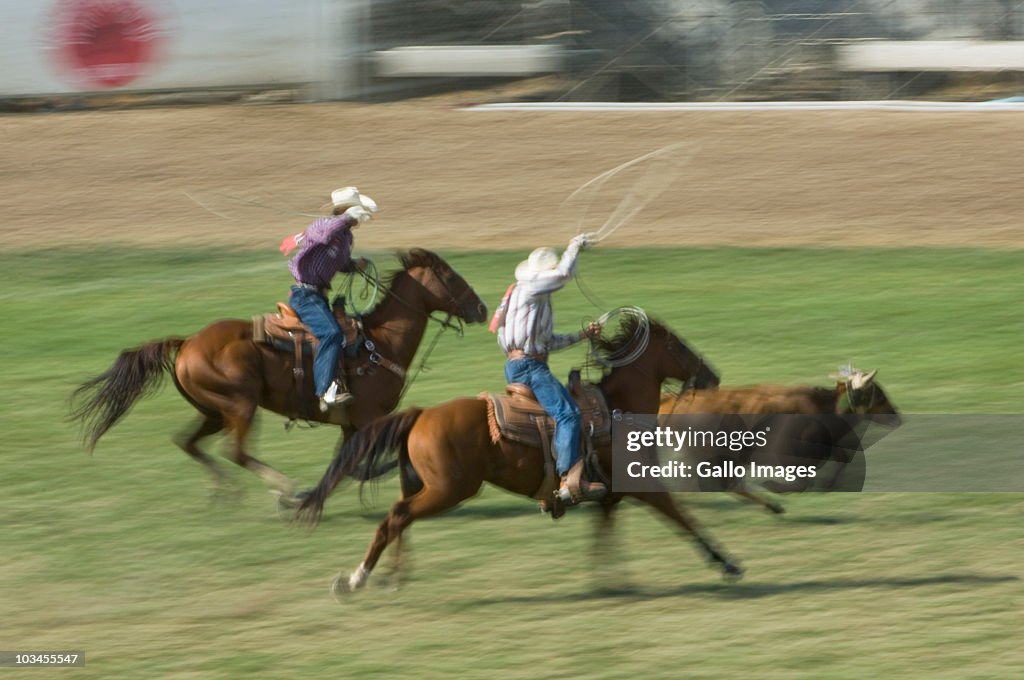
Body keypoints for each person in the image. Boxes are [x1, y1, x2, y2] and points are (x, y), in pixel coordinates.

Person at [497, 233, 605, 504]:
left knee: (553, 415)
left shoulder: (526, 297)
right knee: (568, 414)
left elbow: (548, 342)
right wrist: (575, 246)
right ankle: (570, 479)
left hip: (518, 363)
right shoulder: (532, 288)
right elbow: (564, 274)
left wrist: (582, 336)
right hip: (530, 368)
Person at [280, 186, 377, 411]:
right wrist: (346, 218)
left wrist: (355, 266)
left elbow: (340, 263)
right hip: (305, 295)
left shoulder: (346, 237)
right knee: (331, 334)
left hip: (318, 296)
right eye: (357, 212)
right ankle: (324, 392)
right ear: (347, 210)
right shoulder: (322, 225)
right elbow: (322, 236)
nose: (359, 218)